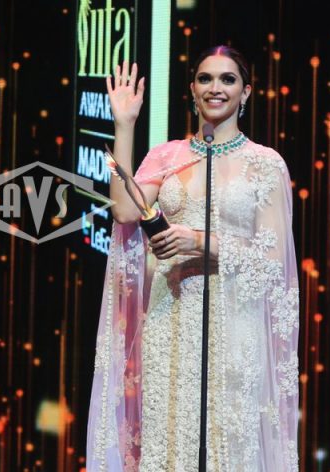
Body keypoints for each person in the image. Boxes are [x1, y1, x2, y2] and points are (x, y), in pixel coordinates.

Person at [86, 46, 300, 471]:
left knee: (227, 449)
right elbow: (125, 211)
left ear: (246, 92)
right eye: (205, 78)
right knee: (170, 443)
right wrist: (124, 126)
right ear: (192, 89)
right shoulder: (167, 155)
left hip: (235, 325)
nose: (215, 88)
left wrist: (202, 241)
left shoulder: (265, 164)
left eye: (227, 79)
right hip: (170, 319)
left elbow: (274, 259)